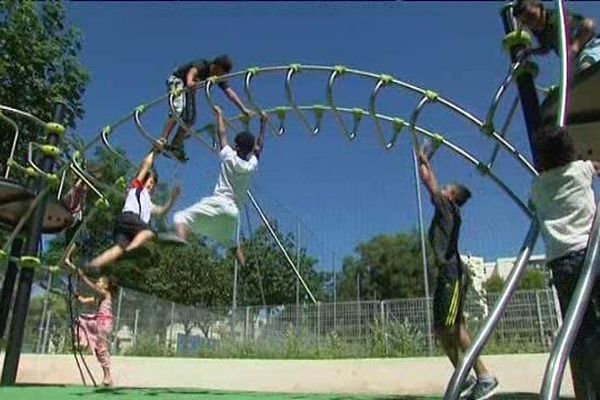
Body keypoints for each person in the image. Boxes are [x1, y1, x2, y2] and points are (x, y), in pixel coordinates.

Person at [417, 149, 498, 400]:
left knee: (450, 327)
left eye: (446, 189)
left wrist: (423, 158)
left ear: (451, 197)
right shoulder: (447, 211)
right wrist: (426, 160)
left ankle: (484, 377)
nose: (442, 190)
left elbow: (428, 181)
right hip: (448, 275)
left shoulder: (447, 209)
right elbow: (433, 183)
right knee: (448, 328)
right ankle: (467, 377)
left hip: (452, 275)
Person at [530, 126, 600, 398]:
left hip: (561, 263)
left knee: (578, 330)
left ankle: (588, 389)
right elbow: (595, 167)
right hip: (590, 253)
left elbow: (533, 204)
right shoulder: (581, 170)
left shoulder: (537, 186)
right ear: (571, 152)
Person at [171, 107, 267, 268]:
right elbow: (259, 148)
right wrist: (263, 124)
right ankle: (244, 268)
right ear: (250, 150)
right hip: (233, 213)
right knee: (231, 243)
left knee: (180, 218)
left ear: (236, 146)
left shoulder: (229, 157)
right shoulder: (251, 165)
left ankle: (181, 240)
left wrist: (219, 115)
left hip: (219, 203)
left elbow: (222, 135)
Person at [85, 149, 180, 274]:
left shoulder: (149, 203)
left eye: (154, 184)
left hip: (126, 227)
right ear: (144, 180)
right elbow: (146, 165)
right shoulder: (136, 188)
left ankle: (92, 265)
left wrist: (172, 198)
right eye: (150, 182)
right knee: (149, 233)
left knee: (119, 248)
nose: (152, 186)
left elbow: (162, 211)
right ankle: (130, 250)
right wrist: (155, 152)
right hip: (129, 218)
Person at [159, 55, 253, 162]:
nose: (219, 75)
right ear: (216, 66)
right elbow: (192, 71)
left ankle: (176, 146)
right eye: (219, 72)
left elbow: (229, 92)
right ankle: (163, 139)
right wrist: (190, 81)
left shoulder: (216, 77)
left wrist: (243, 109)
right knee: (178, 109)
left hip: (189, 89)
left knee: (190, 118)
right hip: (178, 81)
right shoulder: (203, 64)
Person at [65, 255, 117, 387]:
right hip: (98, 321)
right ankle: (82, 341)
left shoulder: (106, 294)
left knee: (102, 349)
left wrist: (82, 276)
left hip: (104, 323)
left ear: (105, 286)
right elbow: (83, 300)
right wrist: (76, 295)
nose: (97, 283)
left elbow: (92, 286)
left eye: (100, 282)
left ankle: (108, 376)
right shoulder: (99, 297)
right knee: (80, 320)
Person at [513, 0, 599, 73]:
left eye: (531, 16)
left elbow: (588, 24)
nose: (532, 23)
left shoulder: (557, 18)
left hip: (591, 48)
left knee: (586, 70)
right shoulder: (541, 33)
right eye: (526, 22)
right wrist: (529, 51)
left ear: (541, 8)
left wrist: (575, 46)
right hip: (575, 61)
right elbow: (545, 48)